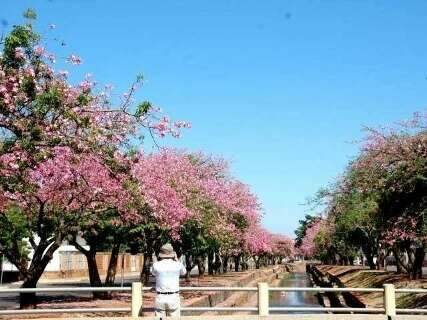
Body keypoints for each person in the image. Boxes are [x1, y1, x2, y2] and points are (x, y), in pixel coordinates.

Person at [151, 243, 186, 318]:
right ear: (173, 254)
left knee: (159, 317)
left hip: (160, 297)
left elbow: (153, 273)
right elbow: (184, 272)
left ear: (161, 254)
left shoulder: (156, 265)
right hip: (173, 297)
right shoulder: (178, 265)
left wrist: (156, 260)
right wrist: (177, 260)